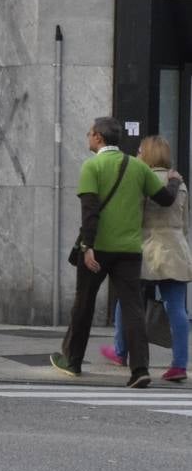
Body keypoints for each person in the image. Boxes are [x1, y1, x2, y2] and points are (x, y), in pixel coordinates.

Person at [52, 118, 183, 388]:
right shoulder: (137, 167)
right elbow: (166, 200)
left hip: (98, 250)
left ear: (99, 138)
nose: (87, 136)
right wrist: (172, 181)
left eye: (89, 133)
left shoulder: (92, 166)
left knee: (84, 304)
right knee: (133, 308)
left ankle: (73, 361)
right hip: (130, 251)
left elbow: (89, 213)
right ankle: (140, 370)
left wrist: (87, 247)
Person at [100, 135, 192, 382]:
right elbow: (184, 224)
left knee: (127, 301)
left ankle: (121, 352)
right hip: (175, 249)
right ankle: (179, 364)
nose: (138, 154)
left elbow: (134, 216)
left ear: (148, 155)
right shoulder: (180, 184)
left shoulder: (142, 179)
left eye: (141, 151)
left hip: (147, 249)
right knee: (178, 310)